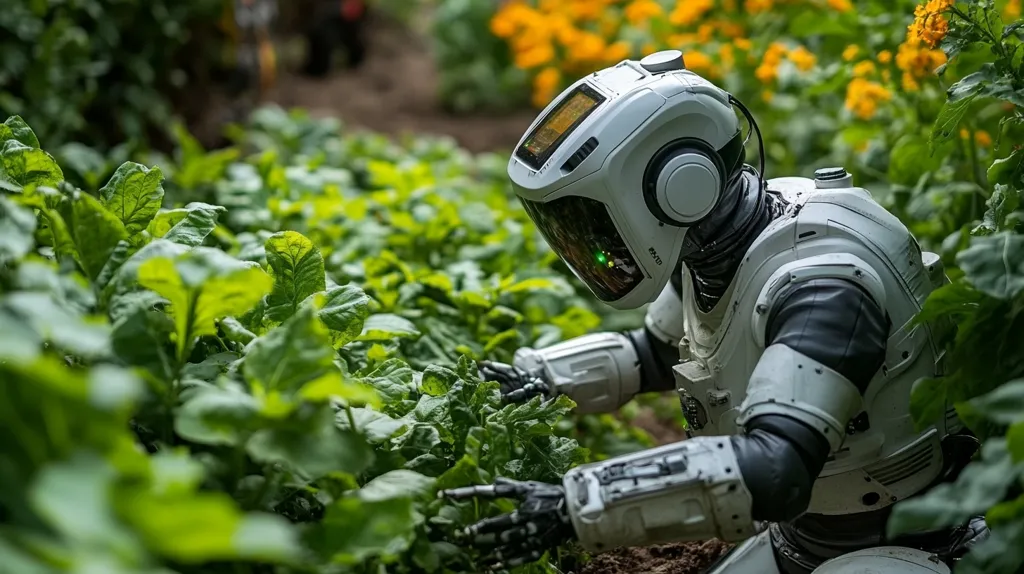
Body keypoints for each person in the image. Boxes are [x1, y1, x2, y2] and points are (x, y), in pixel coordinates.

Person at [439, 50, 988, 573]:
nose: (593, 251)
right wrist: (533, 380)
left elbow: (777, 472)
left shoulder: (821, 287)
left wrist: (575, 507)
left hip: (913, 545)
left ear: (679, 186)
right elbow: (650, 355)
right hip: (801, 539)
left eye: (592, 223)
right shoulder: (717, 246)